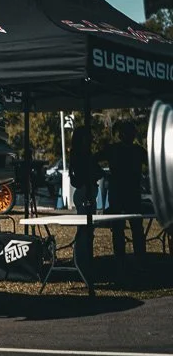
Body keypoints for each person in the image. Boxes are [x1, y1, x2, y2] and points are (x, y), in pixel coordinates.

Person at [95, 120, 148, 270]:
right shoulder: (128, 150)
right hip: (123, 193)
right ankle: (127, 258)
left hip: (126, 193)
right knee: (124, 227)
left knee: (132, 227)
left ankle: (132, 258)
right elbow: (95, 158)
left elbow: (95, 158)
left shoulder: (131, 150)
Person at [68, 125, 104, 295]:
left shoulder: (77, 154)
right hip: (85, 191)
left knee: (85, 230)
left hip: (85, 190)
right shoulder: (82, 155)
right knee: (85, 230)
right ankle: (82, 263)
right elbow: (95, 172)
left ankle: (81, 262)